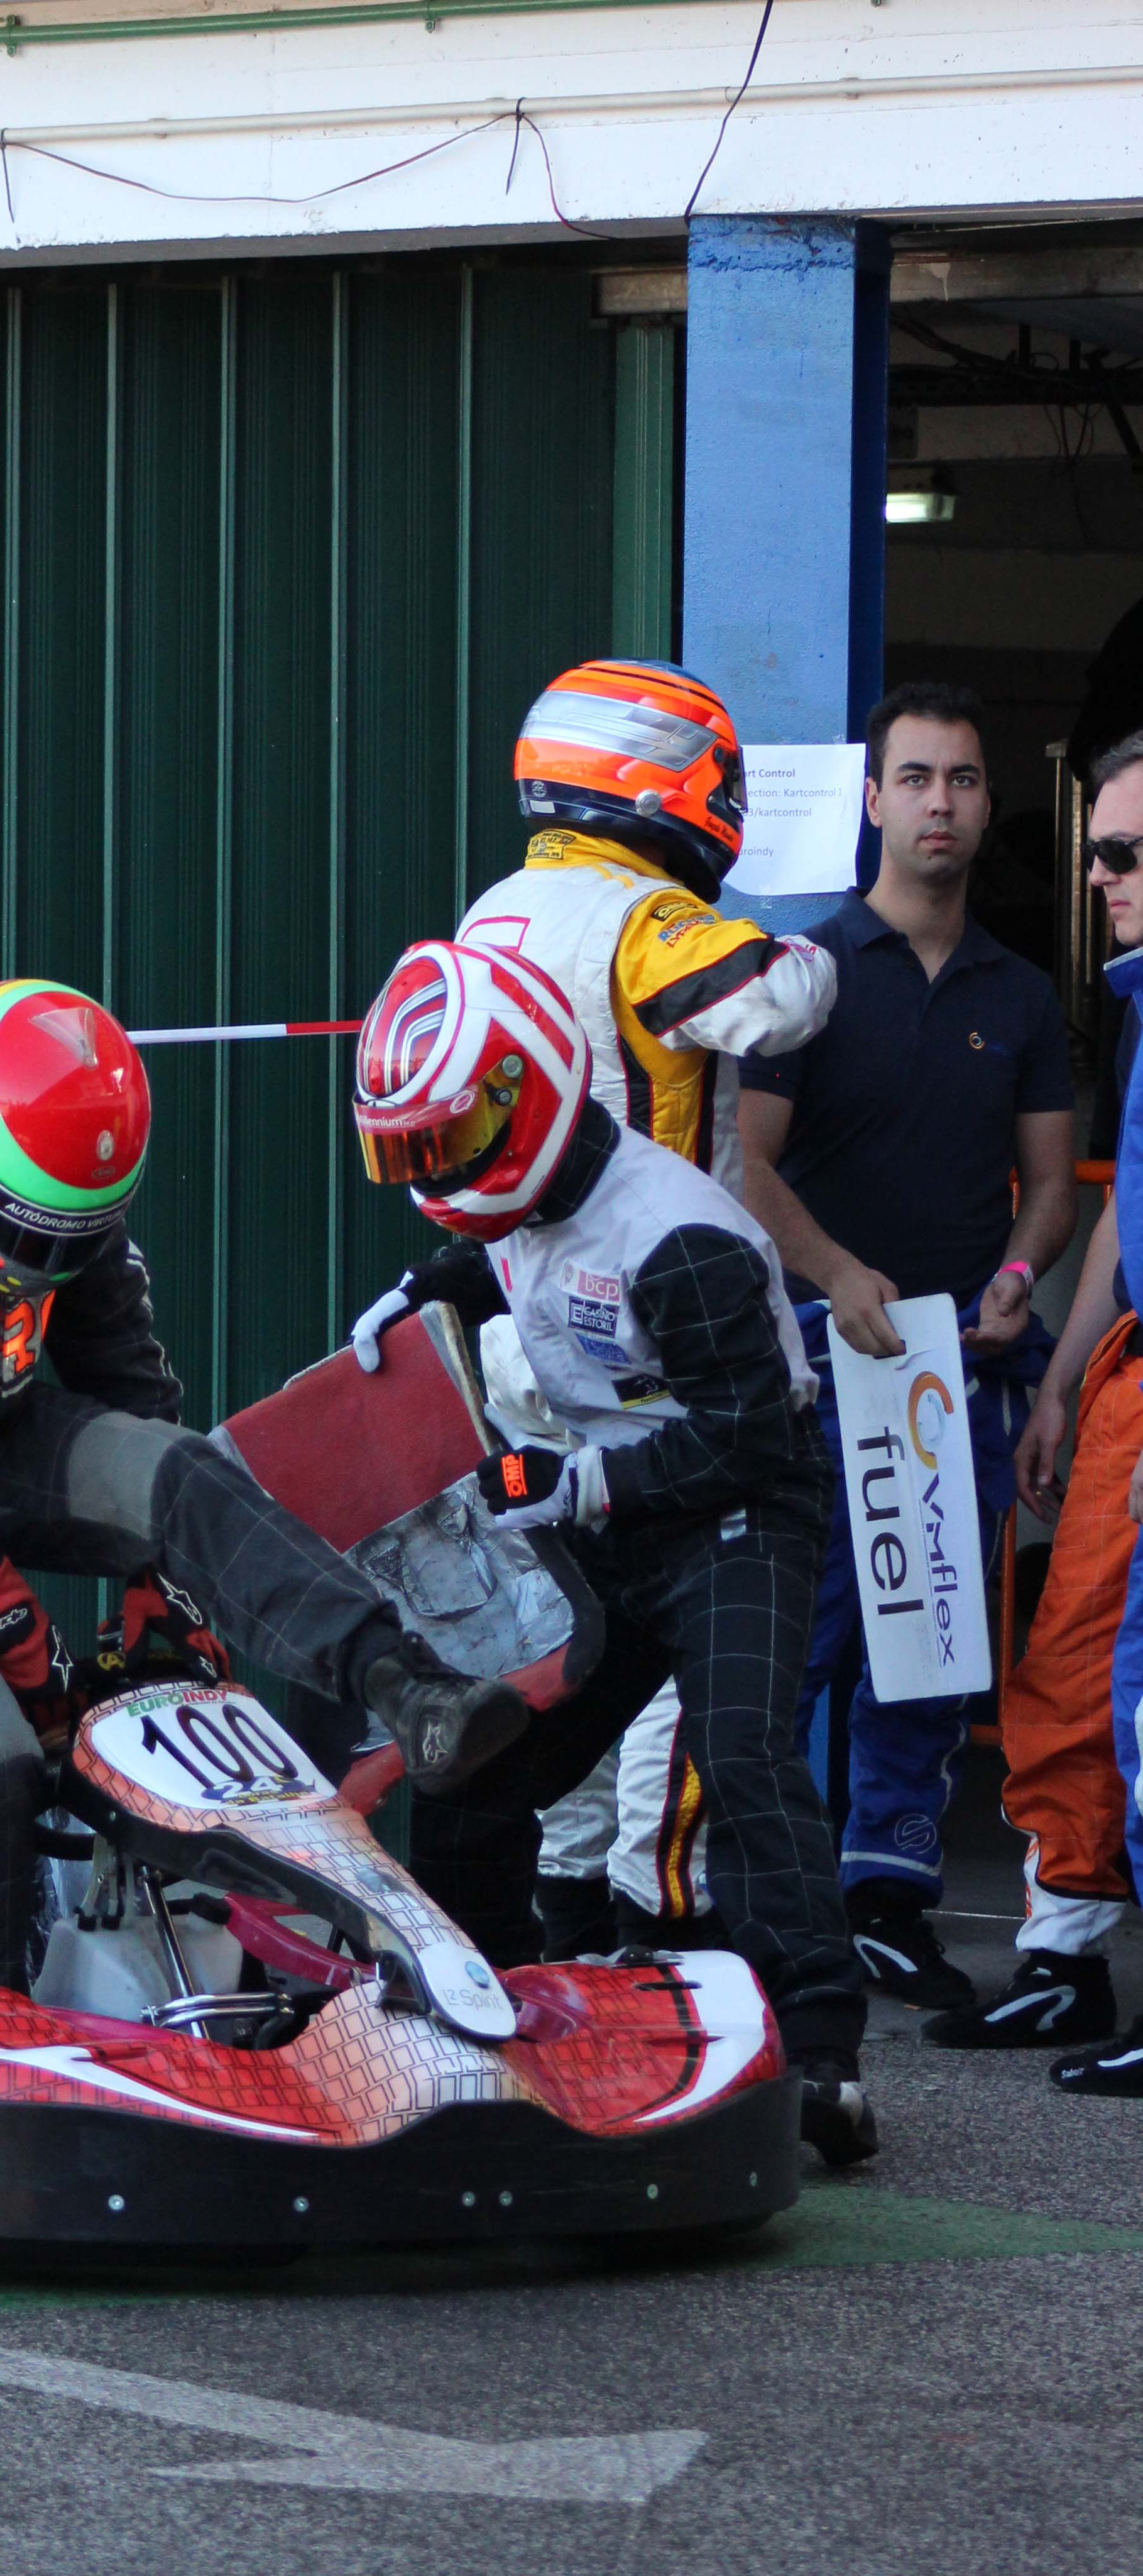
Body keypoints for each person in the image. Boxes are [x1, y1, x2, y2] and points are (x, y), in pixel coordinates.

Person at [0, 977, 526, 1990]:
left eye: (70, 1240)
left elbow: (133, 1393)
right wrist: (8, 1618)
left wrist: (168, 1578)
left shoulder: (72, 1208)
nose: (43, 1261)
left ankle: (405, 1683)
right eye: (27, 1234)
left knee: (187, 1475)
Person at [349, 936, 875, 2166]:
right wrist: (423, 1298)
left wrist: (591, 1482)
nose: (433, 1171)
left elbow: (751, 1439)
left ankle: (827, 2061)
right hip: (613, 1507)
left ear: (524, 1091)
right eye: (412, 1151)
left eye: (444, 1143)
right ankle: (472, 2010)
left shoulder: (679, 1237)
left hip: (739, 1508)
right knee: (479, 1752)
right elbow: (498, 1254)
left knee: (744, 1753)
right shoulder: (522, 1195)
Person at [441, 657, 839, 1955]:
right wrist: (817, 954)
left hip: (518, 1332)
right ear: (672, 781)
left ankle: (553, 1942)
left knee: (557, 1651)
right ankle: (668, 1941)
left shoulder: (492, 909)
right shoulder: (641, 913)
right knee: (678, 1678)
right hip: (654, 1339)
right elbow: (771, 1005)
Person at [738, 681, 1076, 2008]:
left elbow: (1049, 1189)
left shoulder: (1024, 996)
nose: (943, 802)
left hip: (959, 1372)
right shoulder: (803, 975)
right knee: (795, 1642)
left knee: (928, 1648)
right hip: (820, 1361)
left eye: (967, 780)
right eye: (918, 778)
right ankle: (747, 1909)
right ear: (872, 800)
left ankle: (888, 1902)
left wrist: (1013, 1273)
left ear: (991, 806)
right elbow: (741, 1164)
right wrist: (832, 1272)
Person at [958, 735, 1143, 2079]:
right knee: (1073, 1666)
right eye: (1098, 851)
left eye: (1126, 856)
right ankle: (1066, 1959)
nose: (1097, 878)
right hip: (1128, 1363)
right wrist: (1067, 1388)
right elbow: (1130, 1203)